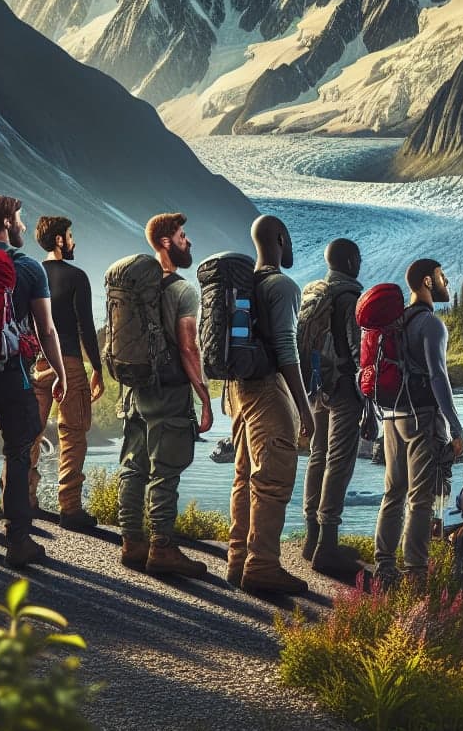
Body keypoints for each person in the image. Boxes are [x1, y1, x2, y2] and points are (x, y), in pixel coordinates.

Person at [118, 213, 212, 577]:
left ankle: (132, 543)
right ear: (166, 242)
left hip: (134, 388)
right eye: (183, 236)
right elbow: (189, 348)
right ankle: (162, 548)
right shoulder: (183, 290)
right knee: (165, 470)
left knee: (133, 466)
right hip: (168, 392)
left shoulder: (135, 287)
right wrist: (203, 397)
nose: (188, 241)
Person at [226, 215, 315, 596]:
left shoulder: (245, 286)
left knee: (245, 474)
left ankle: (238, 559)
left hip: (238, 390)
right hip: (267, 389)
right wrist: (306, 409)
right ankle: (262, 566)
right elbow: (285, 349)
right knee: (273, 478)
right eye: (290, 238)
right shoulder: (282, 285)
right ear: (280, 238)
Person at [373, 258, 463, 587]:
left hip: (391, 417)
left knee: (392, 494)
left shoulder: (395, 322)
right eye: (442, 276)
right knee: (420, 498)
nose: (446, 283)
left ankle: (384, 570)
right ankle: (415, 575)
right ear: (427, 281)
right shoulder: (432, 324)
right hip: (422, 418)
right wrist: (455, 426)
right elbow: (438, 377)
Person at [0, 195, 67, 567]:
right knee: (18, 454)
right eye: (19, 219)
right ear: (6, 221)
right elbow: (46, 329)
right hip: (12, 375)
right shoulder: (28, 267)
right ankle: (18, 542)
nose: (23, 226)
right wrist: (60, 373)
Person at [27, 215, 104, 529]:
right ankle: (69, 509)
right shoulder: (77, 277)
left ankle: (20, 501)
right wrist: (97, 368)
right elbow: (85, 327)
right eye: (70, 236)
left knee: (28, 434)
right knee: (73, 435)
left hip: (35, 365)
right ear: (59, 240)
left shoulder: (29, 274)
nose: (73, 242)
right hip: (69, 363)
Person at [302, 238, 368, 578]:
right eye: (357, 258)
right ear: (350, 261)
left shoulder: (317, 293)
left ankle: (311, 538)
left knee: (318, 456)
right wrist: (367, 396)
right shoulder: (349, 298)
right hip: (344, 388)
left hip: (317, 387)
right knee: (339, 463)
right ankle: (328, 546)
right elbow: (358, 352)